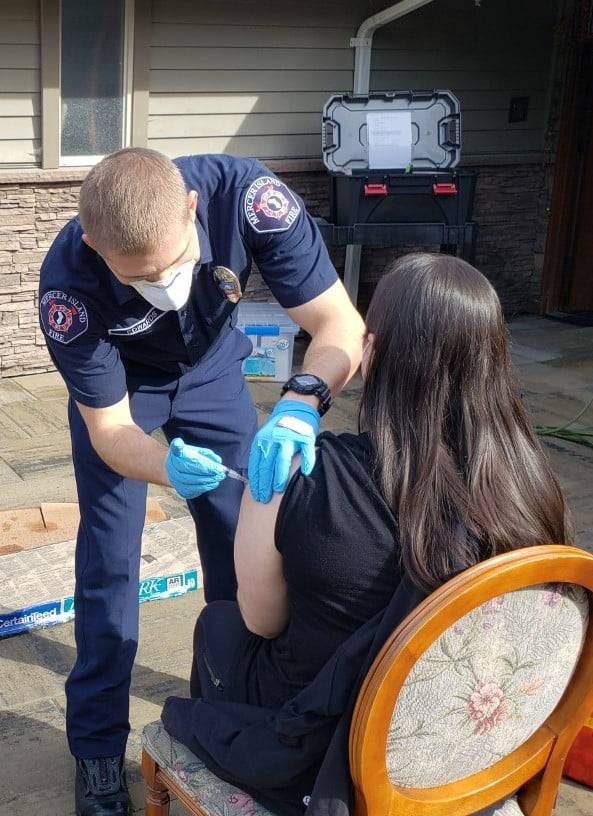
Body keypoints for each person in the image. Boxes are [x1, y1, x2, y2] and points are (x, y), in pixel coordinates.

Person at [162, 253, 573, 816]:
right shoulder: (530, 483)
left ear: (372, 354)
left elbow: (261, 619)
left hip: (339, 746)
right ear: (495, 360)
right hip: (472, 743)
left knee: (221, 624)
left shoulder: (302, 472)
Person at [38, 148, 364, 816]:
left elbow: (339, 324)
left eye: (175, 265)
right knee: (108, 562)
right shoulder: (68, 287)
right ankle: (97, 747)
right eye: (142, 279)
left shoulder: (246, 200)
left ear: (190, 208)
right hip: (126, 392)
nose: (165, 285)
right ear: (95, 247)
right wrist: (165, 469)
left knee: (243, 539)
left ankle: (237, 714)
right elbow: (109, 432)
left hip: (214, 369)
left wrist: (302, 401)